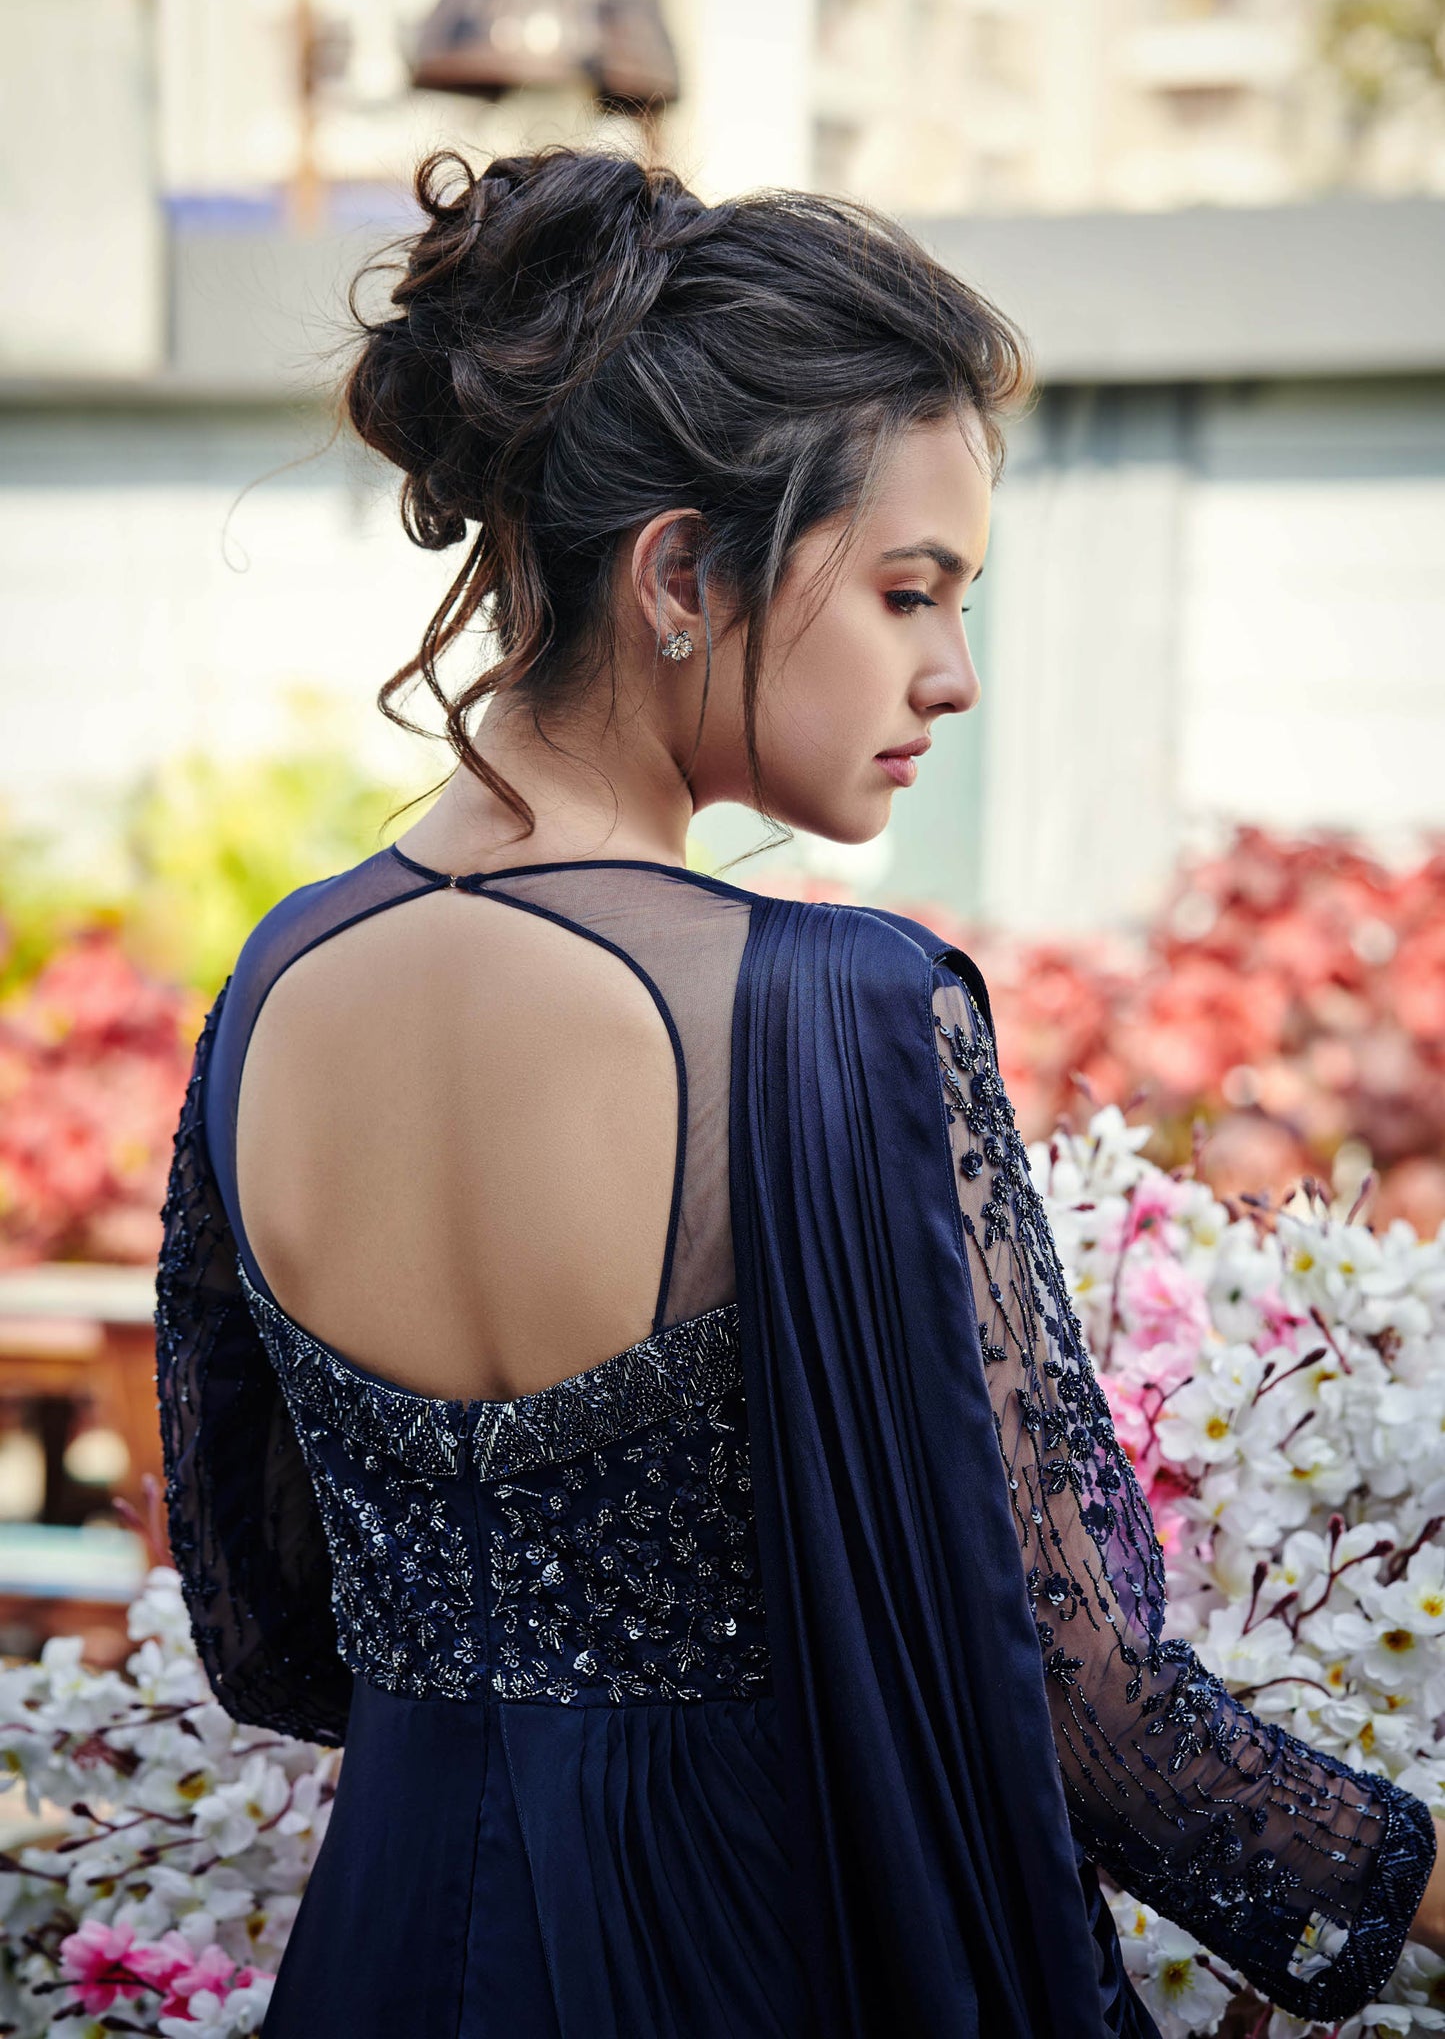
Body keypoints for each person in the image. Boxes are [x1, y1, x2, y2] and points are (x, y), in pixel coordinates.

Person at [152, 145, 1444, 2039]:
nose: (955, 675)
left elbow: (270, 1621)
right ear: (680, 571)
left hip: (387, 1953)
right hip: (752, 1955)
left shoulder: (271, 988)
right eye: (911, 592)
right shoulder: (833, 1014)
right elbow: (1085, 1711)